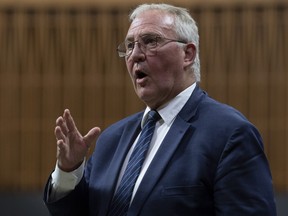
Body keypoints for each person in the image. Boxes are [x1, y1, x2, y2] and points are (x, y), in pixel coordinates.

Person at [44, 3, 277, 216]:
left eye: (151, 41)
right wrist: (69, 171)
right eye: (130, 45)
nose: (135, 55)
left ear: (188, 54)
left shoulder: (230, 134)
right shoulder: (111, 140)